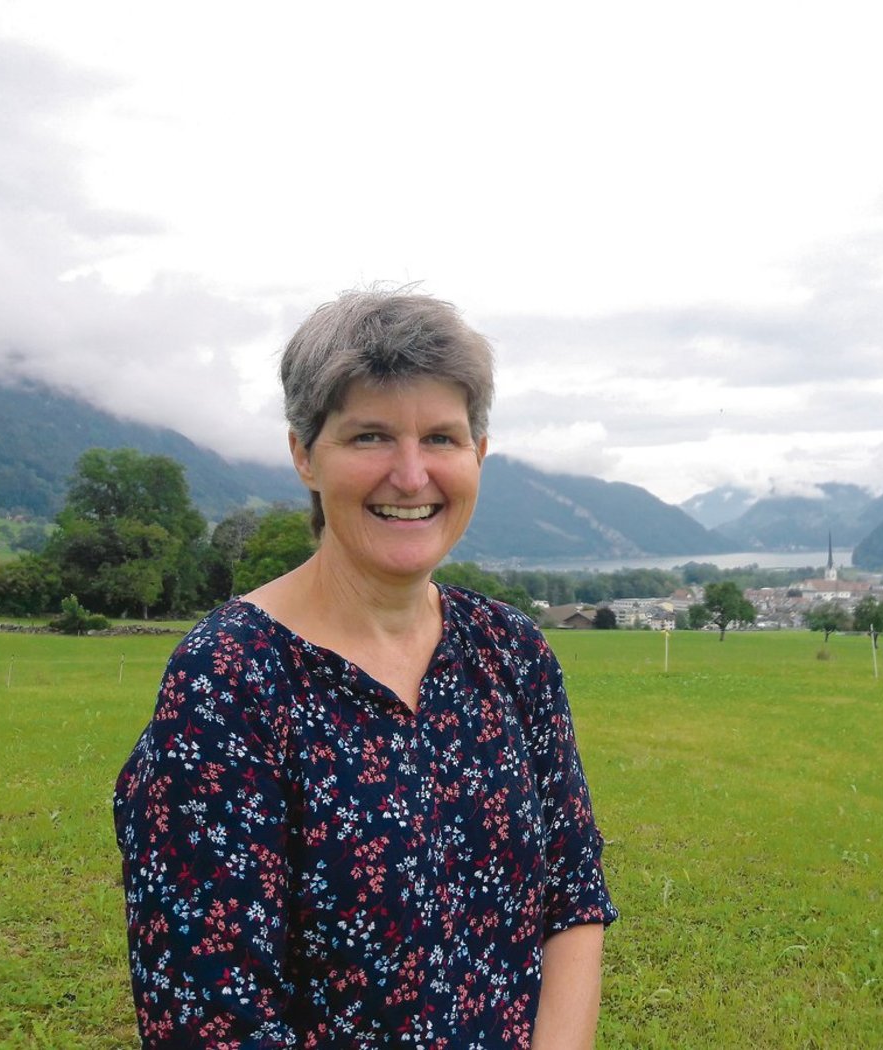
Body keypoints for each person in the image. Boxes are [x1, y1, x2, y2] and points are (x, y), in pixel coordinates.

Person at [113, 289, 617, 1048]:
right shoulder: (230, 680)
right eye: (371, 436)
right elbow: (210, 1017)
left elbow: (571, 895)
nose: (411, 476)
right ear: (304, 454)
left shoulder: (512, 652)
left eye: (441, 438)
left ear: (479, 454)